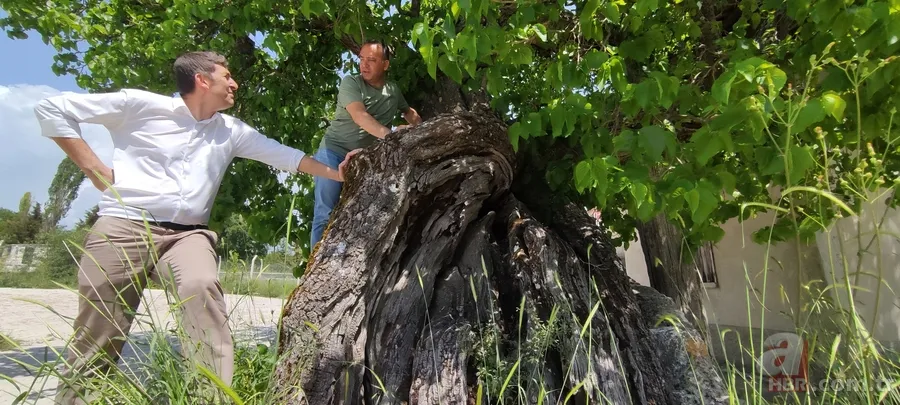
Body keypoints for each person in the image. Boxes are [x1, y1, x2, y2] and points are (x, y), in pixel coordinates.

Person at [34, 51, 353, 404]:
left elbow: (287, 157)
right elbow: (52, 108)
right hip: (125, 226)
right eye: (227, 76)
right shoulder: (139, 105)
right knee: (99, 329)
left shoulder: (231, 131)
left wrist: (336, 173)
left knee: (201, 289)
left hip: (188, 234)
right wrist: (94, 169)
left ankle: (211, 398)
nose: (235, 83)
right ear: (202, 80)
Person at [310, 40, 422, 249]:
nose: (364, 65)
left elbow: (409, 112)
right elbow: (360, 116)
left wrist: (423, 130)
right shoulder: (351, 83)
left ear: (386, 65)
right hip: (333, 153)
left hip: (364, 158)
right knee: (325, 213)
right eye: (361, 59)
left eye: (371, 60)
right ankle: (314, 273)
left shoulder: (392, 90)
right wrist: (392, 136)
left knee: (366, 213)